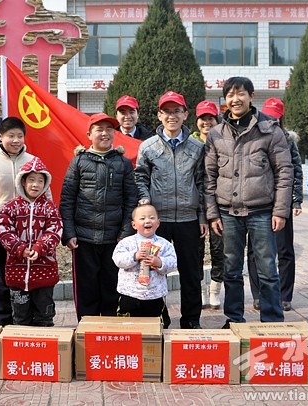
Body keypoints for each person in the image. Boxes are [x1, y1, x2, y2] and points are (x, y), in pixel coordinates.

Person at [204, 77, 293, 328]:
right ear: (225, 100)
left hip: (262, 212)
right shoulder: (216, 134)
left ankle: (272, 321)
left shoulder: (270, 130)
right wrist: (212, 213)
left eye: (240, 94)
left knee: (267, 270)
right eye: (230, 95)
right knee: (231, 269)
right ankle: (234, 320)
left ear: (251, 96)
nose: (235, 99)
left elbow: (284, 172)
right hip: (227, 213)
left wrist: (280, 211)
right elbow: (208, 176)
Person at [135, 91, 207, 329]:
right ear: (159, 115)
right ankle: (159, 317)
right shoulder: (148, 147)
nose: (171, 116)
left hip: (188, 218)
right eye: (166, 111)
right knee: (155, 270)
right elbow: (140, 178)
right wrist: (146, 203)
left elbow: (202, 183)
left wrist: (202, 216)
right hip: (158, 220)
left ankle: (191, 320)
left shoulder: (197, 148)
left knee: (191, 273)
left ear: (185, 114)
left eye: (177, 111)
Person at [60, 113, 138, 322]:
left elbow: (131, 199)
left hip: (114, 238)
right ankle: (87, 328)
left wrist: (125, 233)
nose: (105, 133)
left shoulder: (123, 163)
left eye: (109, 129)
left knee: (112, 286)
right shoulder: (79, 161)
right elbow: (67, 199)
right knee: (86, 288)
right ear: (89, 134)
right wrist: (69, 233)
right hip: (83, 238)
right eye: (99, 129)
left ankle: (110, 330)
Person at [0, 117, 47, 326]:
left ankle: (24, 321)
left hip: (27, 235)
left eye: (19, 136)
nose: (15, 140)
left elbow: (45, 195)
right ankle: (3, 321)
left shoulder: (33, 162)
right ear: (0, 136)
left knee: (23, 279)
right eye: (10, 136)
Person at [247, 98, 303, 312]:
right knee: (254, 250)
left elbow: (296, 170)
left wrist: (296, 199)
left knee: (284, 250)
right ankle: (259, 294)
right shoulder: (254, 135)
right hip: (257, 201)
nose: (271, 121)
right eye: (268, 116)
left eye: (275, 118)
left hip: (282, 201)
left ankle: (284, 295)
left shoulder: (288, 141)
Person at [0, 157, 63, 326]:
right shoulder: (10, 207)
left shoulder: (50, 208)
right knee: (20, 318)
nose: (35, 185)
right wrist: (20, 249)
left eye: (40, 181)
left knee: (44, 317)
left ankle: (44, 341)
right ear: (23, 181)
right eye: (31, 180)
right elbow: (5, 230)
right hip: (17, 272)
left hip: (45, 273)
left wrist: (39, 248)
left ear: (45, 184)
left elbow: (55, 230)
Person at [112, 204, 177, 327]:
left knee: (157, 325)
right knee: (127, 325)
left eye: (152, 218)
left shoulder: (164, 244)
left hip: (155, 294)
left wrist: (159, 262)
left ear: (158, 223)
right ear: (134, 224)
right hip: (129, 293)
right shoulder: (126, 243)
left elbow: (173, 263)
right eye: (142, 218)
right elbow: (117, 259)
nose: (147, 221)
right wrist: (134, 256)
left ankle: (157, 338)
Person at [191, 100, 225, 311]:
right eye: (202, 118)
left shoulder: (223, 142)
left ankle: (214, 290)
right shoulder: (190, 143)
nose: (206, 122)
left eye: (210, 118)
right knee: (196, 251)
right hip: (195, 205)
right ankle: (201, 290)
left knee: (219, 249)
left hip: (219, 203)